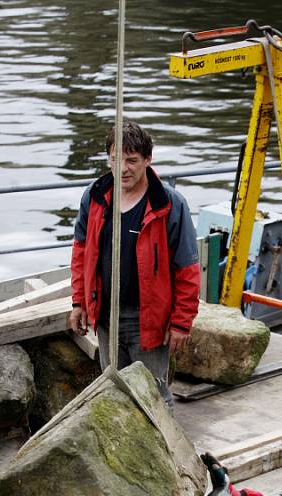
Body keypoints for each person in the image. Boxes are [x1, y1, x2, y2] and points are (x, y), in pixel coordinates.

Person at [69, 120, 201, 408]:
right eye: (116, 159)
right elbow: (81, 252)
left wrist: (181, 322)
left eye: (132, 160)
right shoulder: (94, 196)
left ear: (147, 160)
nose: (124, 168)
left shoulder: (169, 204)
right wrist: (79, 301)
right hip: (106, 316)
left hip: (148, 321)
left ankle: (164, 451)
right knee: (113, 392)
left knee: (153, 398)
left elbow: (187, 270)